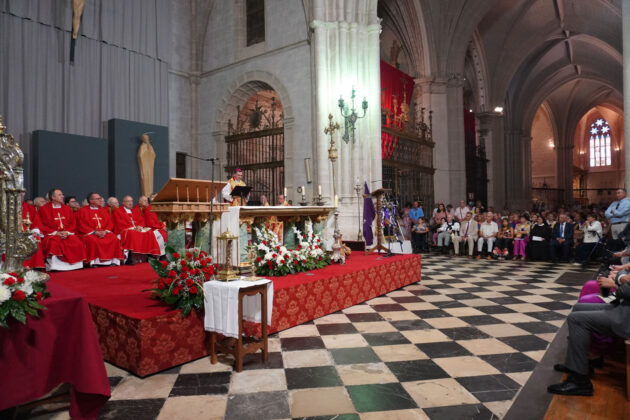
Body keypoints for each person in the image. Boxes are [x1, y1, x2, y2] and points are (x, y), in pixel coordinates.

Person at [547, 270, 630, 396]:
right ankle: (579, 363)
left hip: (626, 318)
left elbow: (624, 291)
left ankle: (580, 381)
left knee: (576, 320)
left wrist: (616, 281)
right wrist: (622, 278)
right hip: (624, 308)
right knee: (579, 308)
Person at [38, 188, 86, 271]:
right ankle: (55, 266)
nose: (62, 196)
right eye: (60, 195)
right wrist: (56, 233)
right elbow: (40, 225)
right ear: (53, 197)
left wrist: (66, 232)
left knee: (76, 242)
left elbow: (73, 223)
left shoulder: (67, 208)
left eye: (62, 194)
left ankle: (75, 265)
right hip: (52, 234)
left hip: (66, 233)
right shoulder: (44, 209)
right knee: (53, 243)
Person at [77, 192, 124, 266]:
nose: (100, 200)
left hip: (103, 232)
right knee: (92, 240)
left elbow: (110, 223)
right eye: (98, 199)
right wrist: (95, 232)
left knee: (114, 239)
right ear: (91, 200)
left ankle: (114, 261)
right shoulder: (83, 211)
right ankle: (93, 262)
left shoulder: (103, 210)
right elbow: (82, 225)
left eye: (100, 198)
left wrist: (105, 231)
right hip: (92, 233)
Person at [112, 195, 163, 260]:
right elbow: (119, 223)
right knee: (132, 233)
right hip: (124, 230)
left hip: (136, 229)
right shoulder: (118, 211)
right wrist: (133, 228)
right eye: (128, 201)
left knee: (149, 232)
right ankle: (130, 257)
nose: (130, 203)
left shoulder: (135, 211)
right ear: (123, 203)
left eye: (131, 201)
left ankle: (149, 254)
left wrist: (140, 226)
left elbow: (142, 220)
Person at [21, 195, 45, 269]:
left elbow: (36, 223)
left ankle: (35, 266)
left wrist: (34, 231)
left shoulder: (30, 208)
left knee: (35, 238)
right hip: (11, 234)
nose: (21, 195)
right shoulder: (5, 207)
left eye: (22, 193)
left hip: (28, 233)